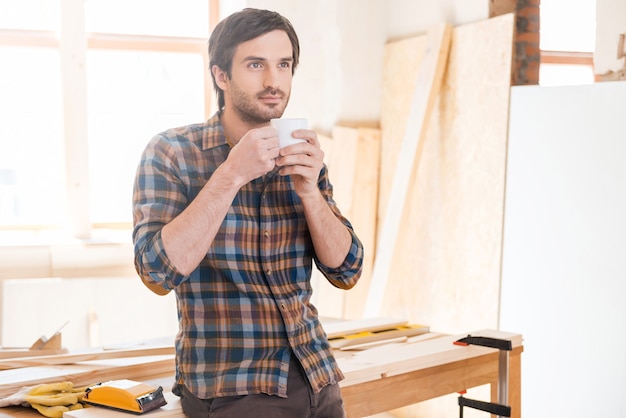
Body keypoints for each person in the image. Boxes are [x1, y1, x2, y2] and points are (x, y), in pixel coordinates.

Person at [132, 8, 364, 418]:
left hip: (318, 380)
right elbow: (156, 272)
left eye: (284, 65)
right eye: (256, 65)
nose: (274, 81)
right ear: (221, 75)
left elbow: (347, 270)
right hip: (233, 391)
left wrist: (310, 192)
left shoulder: (302, 157)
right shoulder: (172, 152)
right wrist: (230, 175)